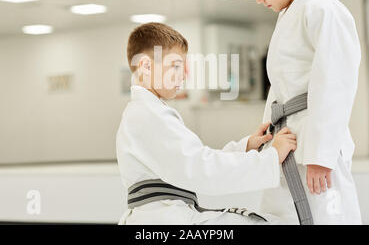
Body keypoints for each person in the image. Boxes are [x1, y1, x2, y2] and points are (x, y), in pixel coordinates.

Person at [234, 0, 362, 224]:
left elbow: (334, 84)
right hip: (287, 141)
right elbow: (281, 89)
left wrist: (322, 154)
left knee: (329, 217)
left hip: (314, 150)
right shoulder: (289, 17)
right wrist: (267, 131)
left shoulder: (324, 10)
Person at [116, 22, 297, 224]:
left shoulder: (147, 113)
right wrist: (271, 158)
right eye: (175, 66)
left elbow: (196, 161)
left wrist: (245, 148)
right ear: (146, 66)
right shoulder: (147, 115)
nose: (184, 75)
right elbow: (202, 169)